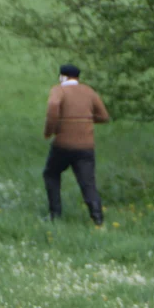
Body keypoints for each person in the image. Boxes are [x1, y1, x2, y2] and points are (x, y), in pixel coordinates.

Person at [42, 64, 110, 225]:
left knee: (51, 174)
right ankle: (98, 218)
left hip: (63, 145)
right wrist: (84, 120)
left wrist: (50, 131)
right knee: (87, 182)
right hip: (86, 146)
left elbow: (53, 108)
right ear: (77, 77)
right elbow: (104, 116)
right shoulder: (88, 91)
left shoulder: (58, 90)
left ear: (62, 77)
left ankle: (55, 214)